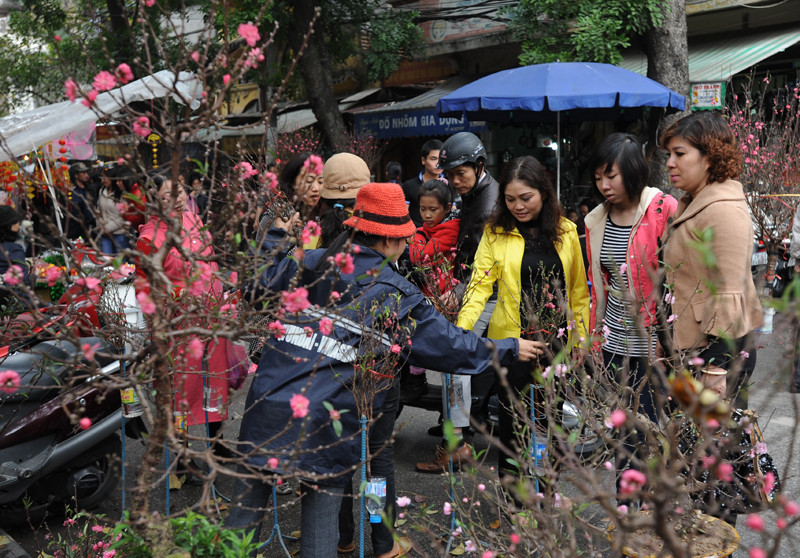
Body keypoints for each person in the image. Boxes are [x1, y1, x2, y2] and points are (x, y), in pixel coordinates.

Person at [226, 183, 545, 558]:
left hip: (267, 405)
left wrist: (273, 230)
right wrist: (508, 348)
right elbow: (452, 346)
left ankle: (354, 539)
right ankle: (380, 539)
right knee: (339, 503)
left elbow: (256, 279)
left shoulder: (310, 263)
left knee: (243, 516)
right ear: (392, 240)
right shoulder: (394, 292)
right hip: (330, 421)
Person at [453, 155, 590, 490]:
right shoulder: (496, 233)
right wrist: (461, 330)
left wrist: (582, 341)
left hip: (556, 344)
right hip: (513, 343)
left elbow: (578, 293)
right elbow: (479, 285)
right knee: (514, 424)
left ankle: (547, 493)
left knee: (552, 423)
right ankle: (515, 497)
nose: (518, 206)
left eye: (525, 198)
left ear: (543, 193)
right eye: (510, 199)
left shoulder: (567, 232)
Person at [583, 133, 677, 496]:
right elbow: (599, 285)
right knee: (622, 427)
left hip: (653, 341)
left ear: (634, 172)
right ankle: (627, 504)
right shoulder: (596, 220)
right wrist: (595, 336)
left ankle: (648, 506)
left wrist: (669, 343)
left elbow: (679, 276)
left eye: (612, 176)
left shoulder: (662, 209)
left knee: (649, 429)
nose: (604, 186)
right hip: (614, 341)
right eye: (598, 178)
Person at [661, 112, 762, 409]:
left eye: (679, 153)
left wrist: (715, 372)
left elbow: (729, 294)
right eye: (669, 154)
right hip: (691, 351)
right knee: (690, 448)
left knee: (713, 450)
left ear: (710, 157)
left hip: (715, 356)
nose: (670, 162)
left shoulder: (722, 210)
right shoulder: (696, 202)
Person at [134, 174, 233, 477]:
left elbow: (211, 263)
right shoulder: (150, 238)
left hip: (211, 320)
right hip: (178, 326)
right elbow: (144, 288)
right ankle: (183, 456)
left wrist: (223, 294)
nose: (177, 199)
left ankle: (216, 443)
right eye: (167, 195)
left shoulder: (193, 219)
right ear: (154, 201)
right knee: (182, 390)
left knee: (216, 381)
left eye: (180, 191)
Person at [416, 131, 498, 472]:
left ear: (479, 167)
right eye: (448, 174)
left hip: (486, 295)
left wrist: (460, 290)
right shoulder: (473, 195)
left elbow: (487, 263)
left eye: (459, 174)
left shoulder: (490, 203)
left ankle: (456, 444)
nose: (453, 181)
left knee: (454, 362)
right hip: (471, 290)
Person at [255, 153, 323, 246]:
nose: (316, 188)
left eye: (320, 181)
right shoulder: (280, 212)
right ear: (292, 182)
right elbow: (263, 251)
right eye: (309, 181)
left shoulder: (323, 210)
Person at [409, 178, 460, 299]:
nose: (427, 215)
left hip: (443, 298)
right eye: (422, 209)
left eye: (433, 210)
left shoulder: (451, 230)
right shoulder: (429, 229)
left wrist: (417, 235)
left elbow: (420, 258)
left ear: (447, 208)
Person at [402, 139, 443, 228]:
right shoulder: (409, 186)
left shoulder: (448, 185)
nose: (438, 164)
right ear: (423, 160)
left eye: (441, 159)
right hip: (416, 236)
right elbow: (403, 215)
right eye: (434, 159)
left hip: (442, 236)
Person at [96, 165, 131, 255]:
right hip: (104, 234)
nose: (102, 181)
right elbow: (98, 211)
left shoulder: (122, 194)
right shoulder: (101, 191)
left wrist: (107, 228)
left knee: (122, 263)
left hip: (120, 233)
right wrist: (100, 226)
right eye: (102, 178)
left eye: (105, 178)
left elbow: (123, 217)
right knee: (107, 261)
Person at [65, 161, 97, 241]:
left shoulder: (90, 190)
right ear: (76, 175)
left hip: (91, 230)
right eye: (83, 172)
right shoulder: (71, 193)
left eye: (87, 172)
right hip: (76, 231)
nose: (86, 175)